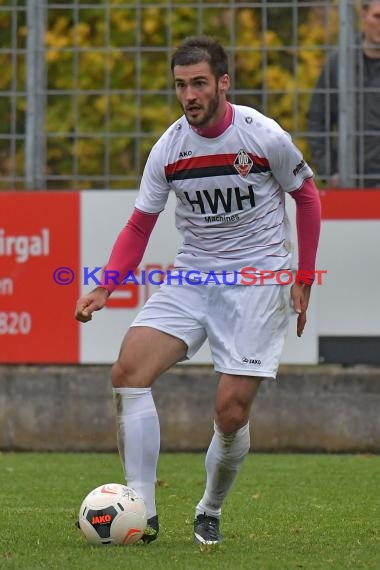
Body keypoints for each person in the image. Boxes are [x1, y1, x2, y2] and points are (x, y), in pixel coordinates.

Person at [75, 36, 321, 545]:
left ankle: (210, 506)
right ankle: (141, 510)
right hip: (194, 275)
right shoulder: (169, 148)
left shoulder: (263, 136)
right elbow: (140, 224)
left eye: (199, 84)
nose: (189, 95)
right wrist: (106, 285)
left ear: (222, 84)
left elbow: (307, 197)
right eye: (181, 85)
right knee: (128, 370)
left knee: (229, 412)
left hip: (258, 279)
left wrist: (303, 277)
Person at [307, 0, 380, 187]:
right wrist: (329, 171)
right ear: (364, 16)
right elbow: (317, 119)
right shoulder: (339, 64)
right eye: (377, 16)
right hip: (351, 183)